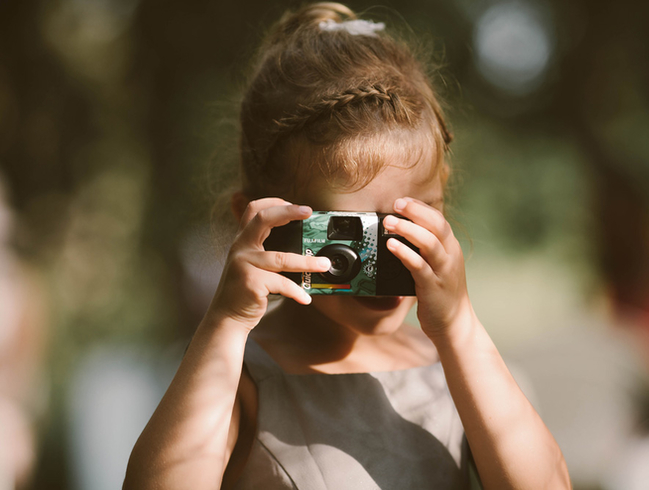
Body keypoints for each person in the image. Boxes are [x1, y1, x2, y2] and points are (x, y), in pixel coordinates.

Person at [123, 3, 570, 489]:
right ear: (261, 221)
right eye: (351, 231)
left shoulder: (457, 365)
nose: (386, 254)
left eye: (407, 223)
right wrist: (226, 325)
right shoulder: (243, 373)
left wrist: (459, 327)